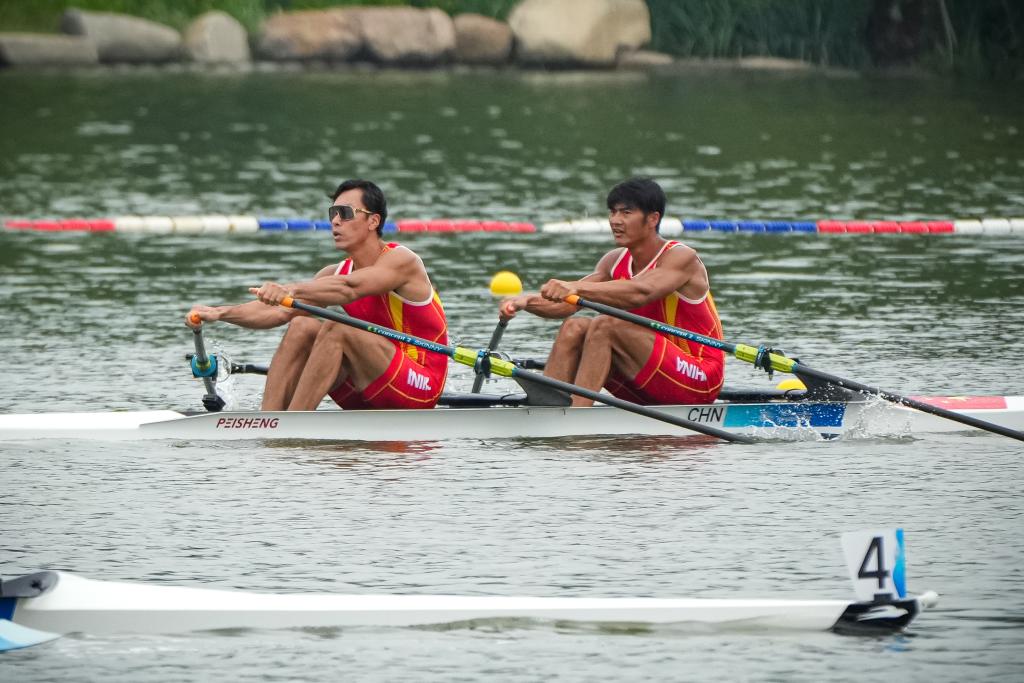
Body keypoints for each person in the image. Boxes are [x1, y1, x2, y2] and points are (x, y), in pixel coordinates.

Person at [186, 179, 448, 411]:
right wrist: (220, 312)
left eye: (345, 213)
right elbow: (278, 312)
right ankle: (269, 421)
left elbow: (350, 288)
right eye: (333, 213)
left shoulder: (402, 261)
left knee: (336, 328)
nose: (335, 221)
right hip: (370, 384)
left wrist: (290, 289)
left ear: (373, 220)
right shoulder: (334, 273)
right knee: (301, 324)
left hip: (420, 385)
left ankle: (292, 427)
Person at [499, 177, 724, 407]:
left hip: (698, 377)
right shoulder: (613, 261)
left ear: (653, 218)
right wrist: (525, 302)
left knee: (605, 325)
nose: (615, 221)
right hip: (649, 373)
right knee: (575, 327)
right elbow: (567, 304)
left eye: (626, 213)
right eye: (613, 212)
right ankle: (547, 408)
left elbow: (642, 291)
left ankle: (574, 418)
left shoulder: (681, 257)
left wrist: (575, 286)